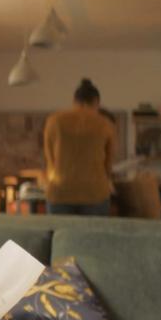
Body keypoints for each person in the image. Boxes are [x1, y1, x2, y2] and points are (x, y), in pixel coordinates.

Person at [43, 78, 117, 216]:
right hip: (95, 193)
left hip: (60, 191)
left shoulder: (54, 121)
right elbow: (108, 163)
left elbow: (50, 158)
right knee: (92, 236)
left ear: (74, 100)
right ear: (96, 102)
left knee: (59, 235)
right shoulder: (105, 124)